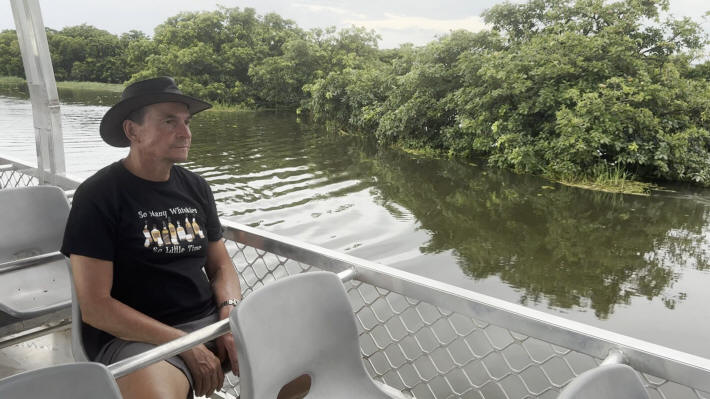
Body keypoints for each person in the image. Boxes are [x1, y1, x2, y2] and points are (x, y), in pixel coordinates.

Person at [61, 77, 307, 399]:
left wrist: (230, 314)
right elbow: (96, 307)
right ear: (132, 131)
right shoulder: (98, 196)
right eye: (169, 121)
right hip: (136, 337)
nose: (186, 132)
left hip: (207, 322)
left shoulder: (196, 188)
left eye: (187, 122)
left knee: (299, 373)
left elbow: (220, 267)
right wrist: (181, 344)